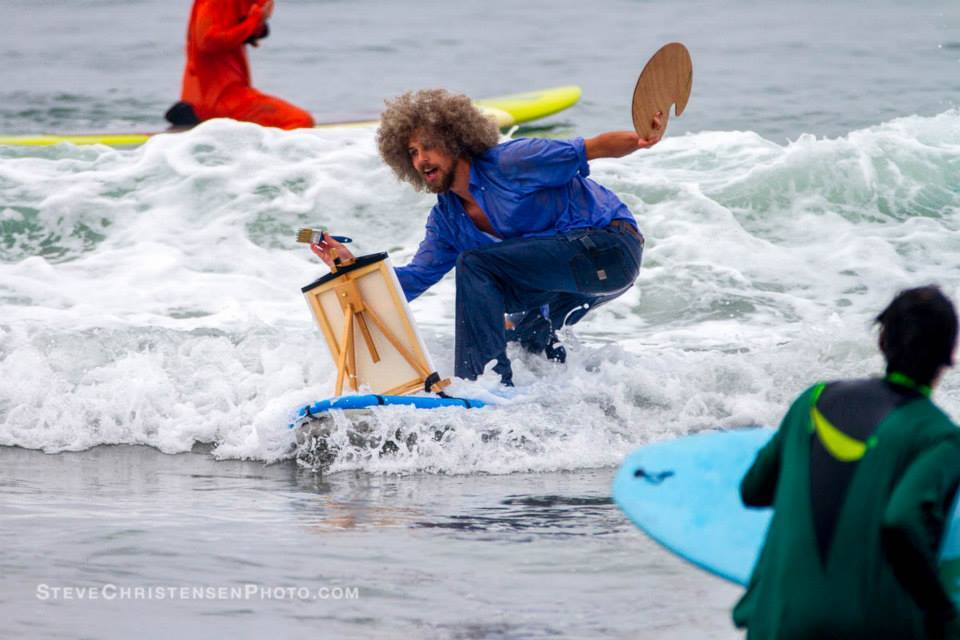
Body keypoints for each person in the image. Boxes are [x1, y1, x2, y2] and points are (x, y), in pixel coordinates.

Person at [310, 88, 662, 384]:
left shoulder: (512, 162)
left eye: (428, 147)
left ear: (456, 140)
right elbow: (415, 279)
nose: (420, 159)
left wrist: (642, 139)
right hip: (567, 280)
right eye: (412, 153)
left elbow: (593, 147)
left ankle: (481, 385)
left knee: (477, 265)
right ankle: (563, 406)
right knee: (524, 336)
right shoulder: (447, 218)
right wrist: (351, 269)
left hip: (610, 248)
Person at [733, 285, 960, 639]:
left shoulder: (813, 399)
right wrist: (943, 612)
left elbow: (753, 490)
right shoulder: (938, 435)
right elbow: (902, 520)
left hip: (775, 623)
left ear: (883, 341)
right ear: (950, 354)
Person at [167, 0, 314, 130]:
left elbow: (239, 25)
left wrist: (255, 27)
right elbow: (207, 41)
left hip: (218, 97)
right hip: (220, 98)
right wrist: (253, 22)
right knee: (301, 120)